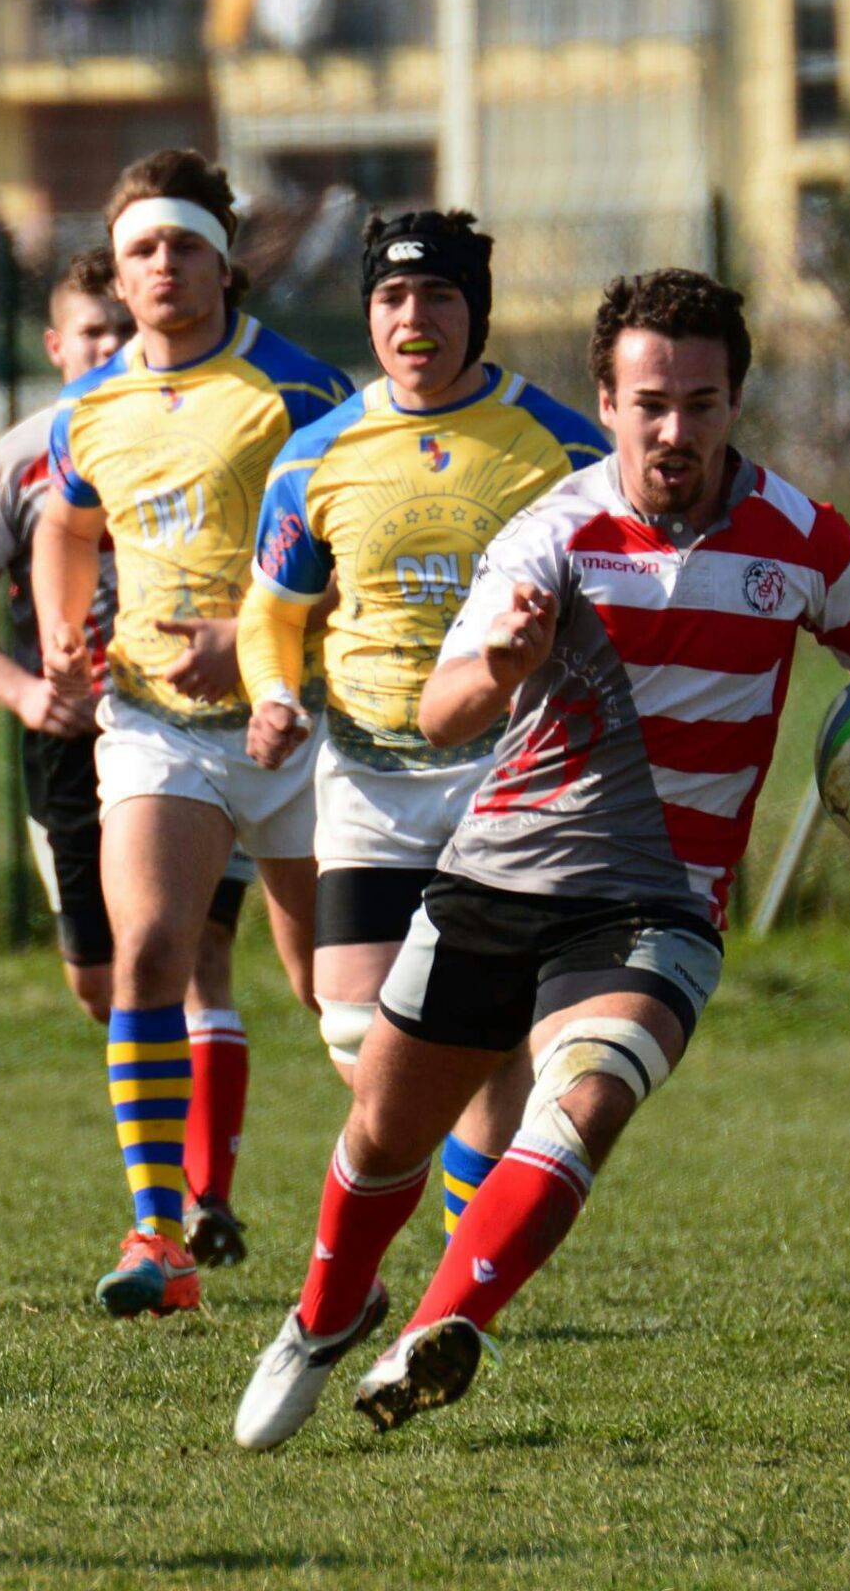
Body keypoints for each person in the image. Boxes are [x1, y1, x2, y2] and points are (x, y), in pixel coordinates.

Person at [233, 267, 850, 1447]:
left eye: (701, 404)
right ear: (605, 402)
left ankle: (441, 1330)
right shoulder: (550, 533)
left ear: (735, 402)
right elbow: (442, 714)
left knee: (586, 1096)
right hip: (499, 877)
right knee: (382, 1138)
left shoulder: (802, 541)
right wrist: (497, 665)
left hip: (658, 906)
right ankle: (320, 1316)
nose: (675, 430)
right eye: (651, 402)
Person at [235, 208, 610, 1276]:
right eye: (394, 297)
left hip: (510, 767)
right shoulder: (318, 455)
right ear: (369, 311)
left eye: (439, 295)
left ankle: (461, 1268)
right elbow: (272, 608)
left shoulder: (563, 447)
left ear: (474, 314)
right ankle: (467, 1231)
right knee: (357, 1029)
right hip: (367, 769)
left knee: (481, 1028)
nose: (415, 316)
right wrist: (271, 692)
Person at [31, 150, 354, 1320]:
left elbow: (356, 555)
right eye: (140, 251)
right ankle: (158, 1235)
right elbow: (66, 524)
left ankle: (417, 1220)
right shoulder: (92, 403)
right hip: (157, 723)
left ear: (225, 257)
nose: (162, 266)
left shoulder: (303, 394)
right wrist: (68, 629)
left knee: (343, 1002)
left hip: (302, 725)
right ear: (118, 274)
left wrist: (262, 643)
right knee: (152, 952)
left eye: (182, 244)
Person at [0, 248, 259, 1270]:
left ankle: (199, 1205)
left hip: (198, 724)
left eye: (125, 328)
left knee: (194, 954)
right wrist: (27, 690)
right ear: (57, 345)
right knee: (101, 980)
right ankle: (168, 1186)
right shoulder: (19, 462)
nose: (113, 347)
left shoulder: (227, 424)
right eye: (91, 333)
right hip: (72, 745)